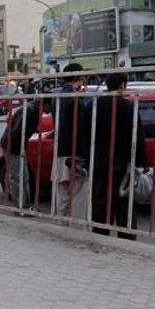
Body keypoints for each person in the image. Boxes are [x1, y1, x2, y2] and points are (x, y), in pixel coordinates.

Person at [87, 73, 147, 239]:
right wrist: (141, 162)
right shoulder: (127, 107)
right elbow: (137, 138)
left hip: (99, 164)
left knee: (100, 206)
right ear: (122, 86)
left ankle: (100, 236)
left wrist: (86, 160)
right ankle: (126, 240)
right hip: (123, 166)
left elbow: (85, 135)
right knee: (124, 206)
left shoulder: (93, 105)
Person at [0, 93, 52, 213]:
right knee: (18, 177)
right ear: (45, 104)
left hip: (14, 145)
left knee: (23, 176)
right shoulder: (31, 111)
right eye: (50, 107)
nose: (50, 111)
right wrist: (20, 148)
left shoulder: (32, 109)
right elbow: (18, 131)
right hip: (13, 146)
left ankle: (25, 205)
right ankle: (21, 207)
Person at [53, 63, 91, 221]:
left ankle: (61, 227)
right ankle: (75, 230)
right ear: (78, 77)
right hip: (74, 154)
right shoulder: (76, 100)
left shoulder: (57, 97)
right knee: (77, 196)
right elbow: (81, 131)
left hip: (60, 151)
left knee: (62, 196)